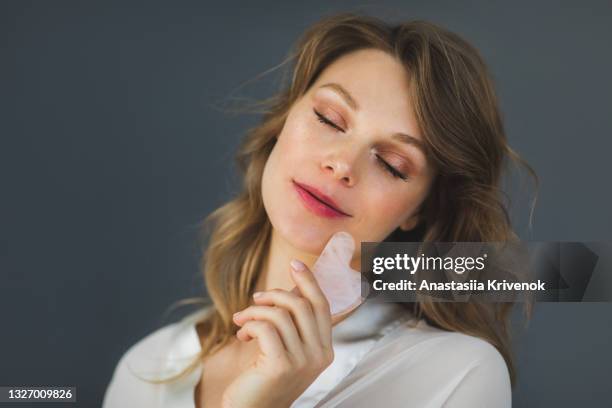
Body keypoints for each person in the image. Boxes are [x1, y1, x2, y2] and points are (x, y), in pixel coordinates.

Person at [103, 12, 537, 408]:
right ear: (281, 124)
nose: (342, 164)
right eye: (329, 119)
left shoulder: (457, 375)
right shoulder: (147, 369)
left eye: (392, 164)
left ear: (419, 211)